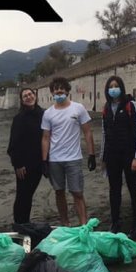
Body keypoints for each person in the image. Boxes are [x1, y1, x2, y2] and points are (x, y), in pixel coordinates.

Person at [41, 77, 96, 226]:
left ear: (67, 90)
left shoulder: (78, 108)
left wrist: (92, 154)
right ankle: (65, 224)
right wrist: (44, 159)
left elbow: (87, 132)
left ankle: (84, 225)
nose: (59, 92)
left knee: (77, 192)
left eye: (62, 89)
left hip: (74, 158)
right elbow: (46, 137)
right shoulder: (48, 113)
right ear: (52, 92)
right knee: (59, 192)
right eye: (56, 89)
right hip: (55, 159)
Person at [101, 76, 136, 240]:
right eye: (110, 86)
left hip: (129, 155)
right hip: (112, 156)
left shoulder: (131, 105)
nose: (113, 89)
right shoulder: (106, 108)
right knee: (114, 190)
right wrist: (103, 157)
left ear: (121, 87)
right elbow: (105, 133)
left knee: (134, 190)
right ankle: (115, 222)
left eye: (116, 85)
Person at [7, 88, 45, 224]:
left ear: (35, 95)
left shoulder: (43, 114)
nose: (28, 97)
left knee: (29, 195)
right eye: (25, 96)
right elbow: (13, 144)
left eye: (30, 94)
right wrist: (17, 164)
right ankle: (20, 223)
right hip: (23, 165)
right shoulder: (19, 118)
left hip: (39, 163)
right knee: (23, 195)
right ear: (22, 100)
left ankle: (26, 222)